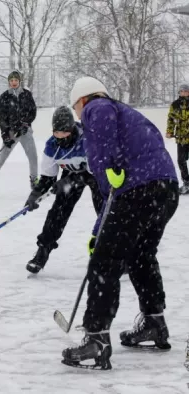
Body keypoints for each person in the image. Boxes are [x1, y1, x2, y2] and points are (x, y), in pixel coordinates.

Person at [61, 77, 179, 370]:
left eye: (76, 108)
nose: (78, 116)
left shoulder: (97, 107)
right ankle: (154, 324)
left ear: (82, 100)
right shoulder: (128, 113)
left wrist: (109, 167)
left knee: (105, 261)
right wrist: (98, 227)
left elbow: (105, 160)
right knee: (141, 256)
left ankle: (96, 339)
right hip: (165, 190)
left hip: (138, 190)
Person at [24, 106, 102, 274]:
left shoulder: (87, 141)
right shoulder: (52, 146)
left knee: (104, 212)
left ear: (72, 129)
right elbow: (47, 177)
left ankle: (119, 254)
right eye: (56, 132)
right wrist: (35, 194)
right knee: (58, 211)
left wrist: (68, 181)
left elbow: (91, 173)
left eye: (64, 132)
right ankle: (42, 252)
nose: (60, 137)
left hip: (96, 175)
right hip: (71, 173)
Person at [0, 70, 38, 195]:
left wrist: (25, 124)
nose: (14, 83)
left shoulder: (27, 95)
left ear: (19, 81)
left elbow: (33, 112)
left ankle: (34, 179)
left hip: (25, 132)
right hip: (11, 132)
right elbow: (2, 118)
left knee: (33, 156)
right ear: (9, 82)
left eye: (16, 80)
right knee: (1, 158)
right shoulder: (4, 97)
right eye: (11, 81)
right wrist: (5, 135)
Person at [166, 83, 189, 194]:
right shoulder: (175, 105)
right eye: (182, 91)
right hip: (181, 138)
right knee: (181, 161)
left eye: (186, 91)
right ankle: (187, 183)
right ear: (179, 92)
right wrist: (170, 131)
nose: (184, 93)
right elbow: (171, 119)